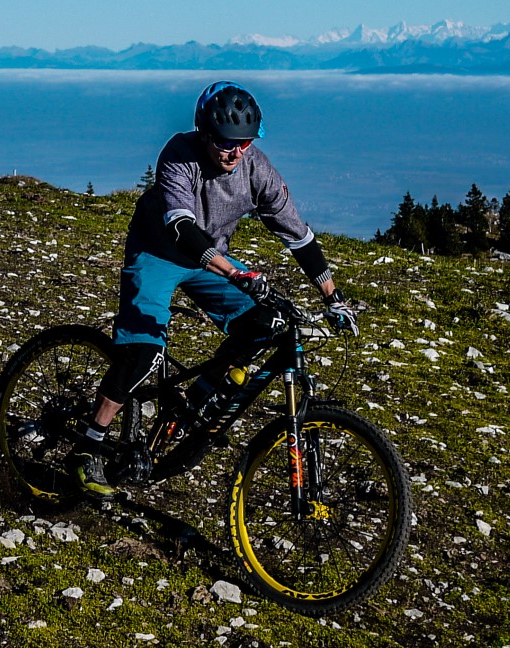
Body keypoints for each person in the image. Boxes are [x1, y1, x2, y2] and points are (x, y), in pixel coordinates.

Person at [71, 81, 359, 496]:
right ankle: (88, 445)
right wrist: (237, 274)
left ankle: (198, 399)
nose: (234, 153)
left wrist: (333, 298)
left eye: (243, 144)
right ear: (205, 134)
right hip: (157, 253)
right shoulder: (178, 155)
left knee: (268, 321)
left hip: (211, 262)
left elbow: (300, 237)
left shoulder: (256, 168)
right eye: (226, 143)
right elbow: (182, 228)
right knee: (143, 353)